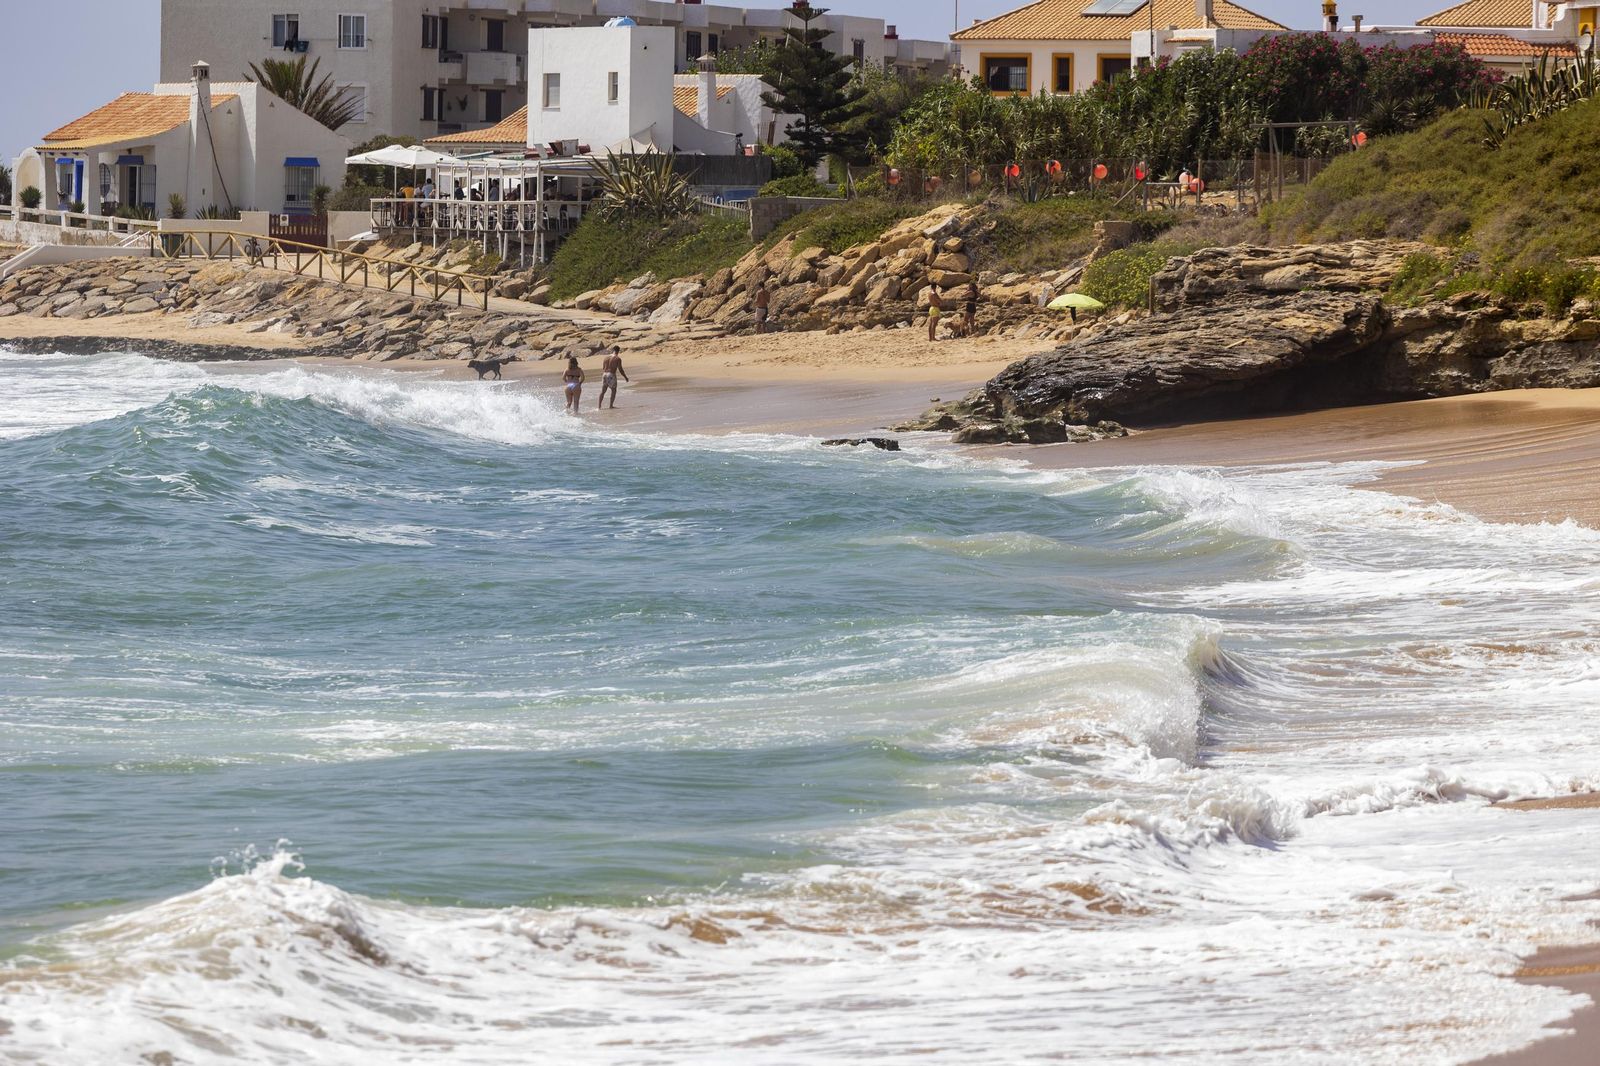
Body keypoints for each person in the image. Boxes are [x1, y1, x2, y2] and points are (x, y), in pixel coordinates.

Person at [597, 346, 629, 410]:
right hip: (611, 374)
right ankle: (611, 406)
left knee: (603, 391)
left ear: (613, 350)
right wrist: (625, 377)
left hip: (604, 374)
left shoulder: (606, 357)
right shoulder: (617, 358)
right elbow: (620, 369)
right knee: (613, 390)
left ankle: (599, 406)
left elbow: (603, 367)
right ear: (618, 351)